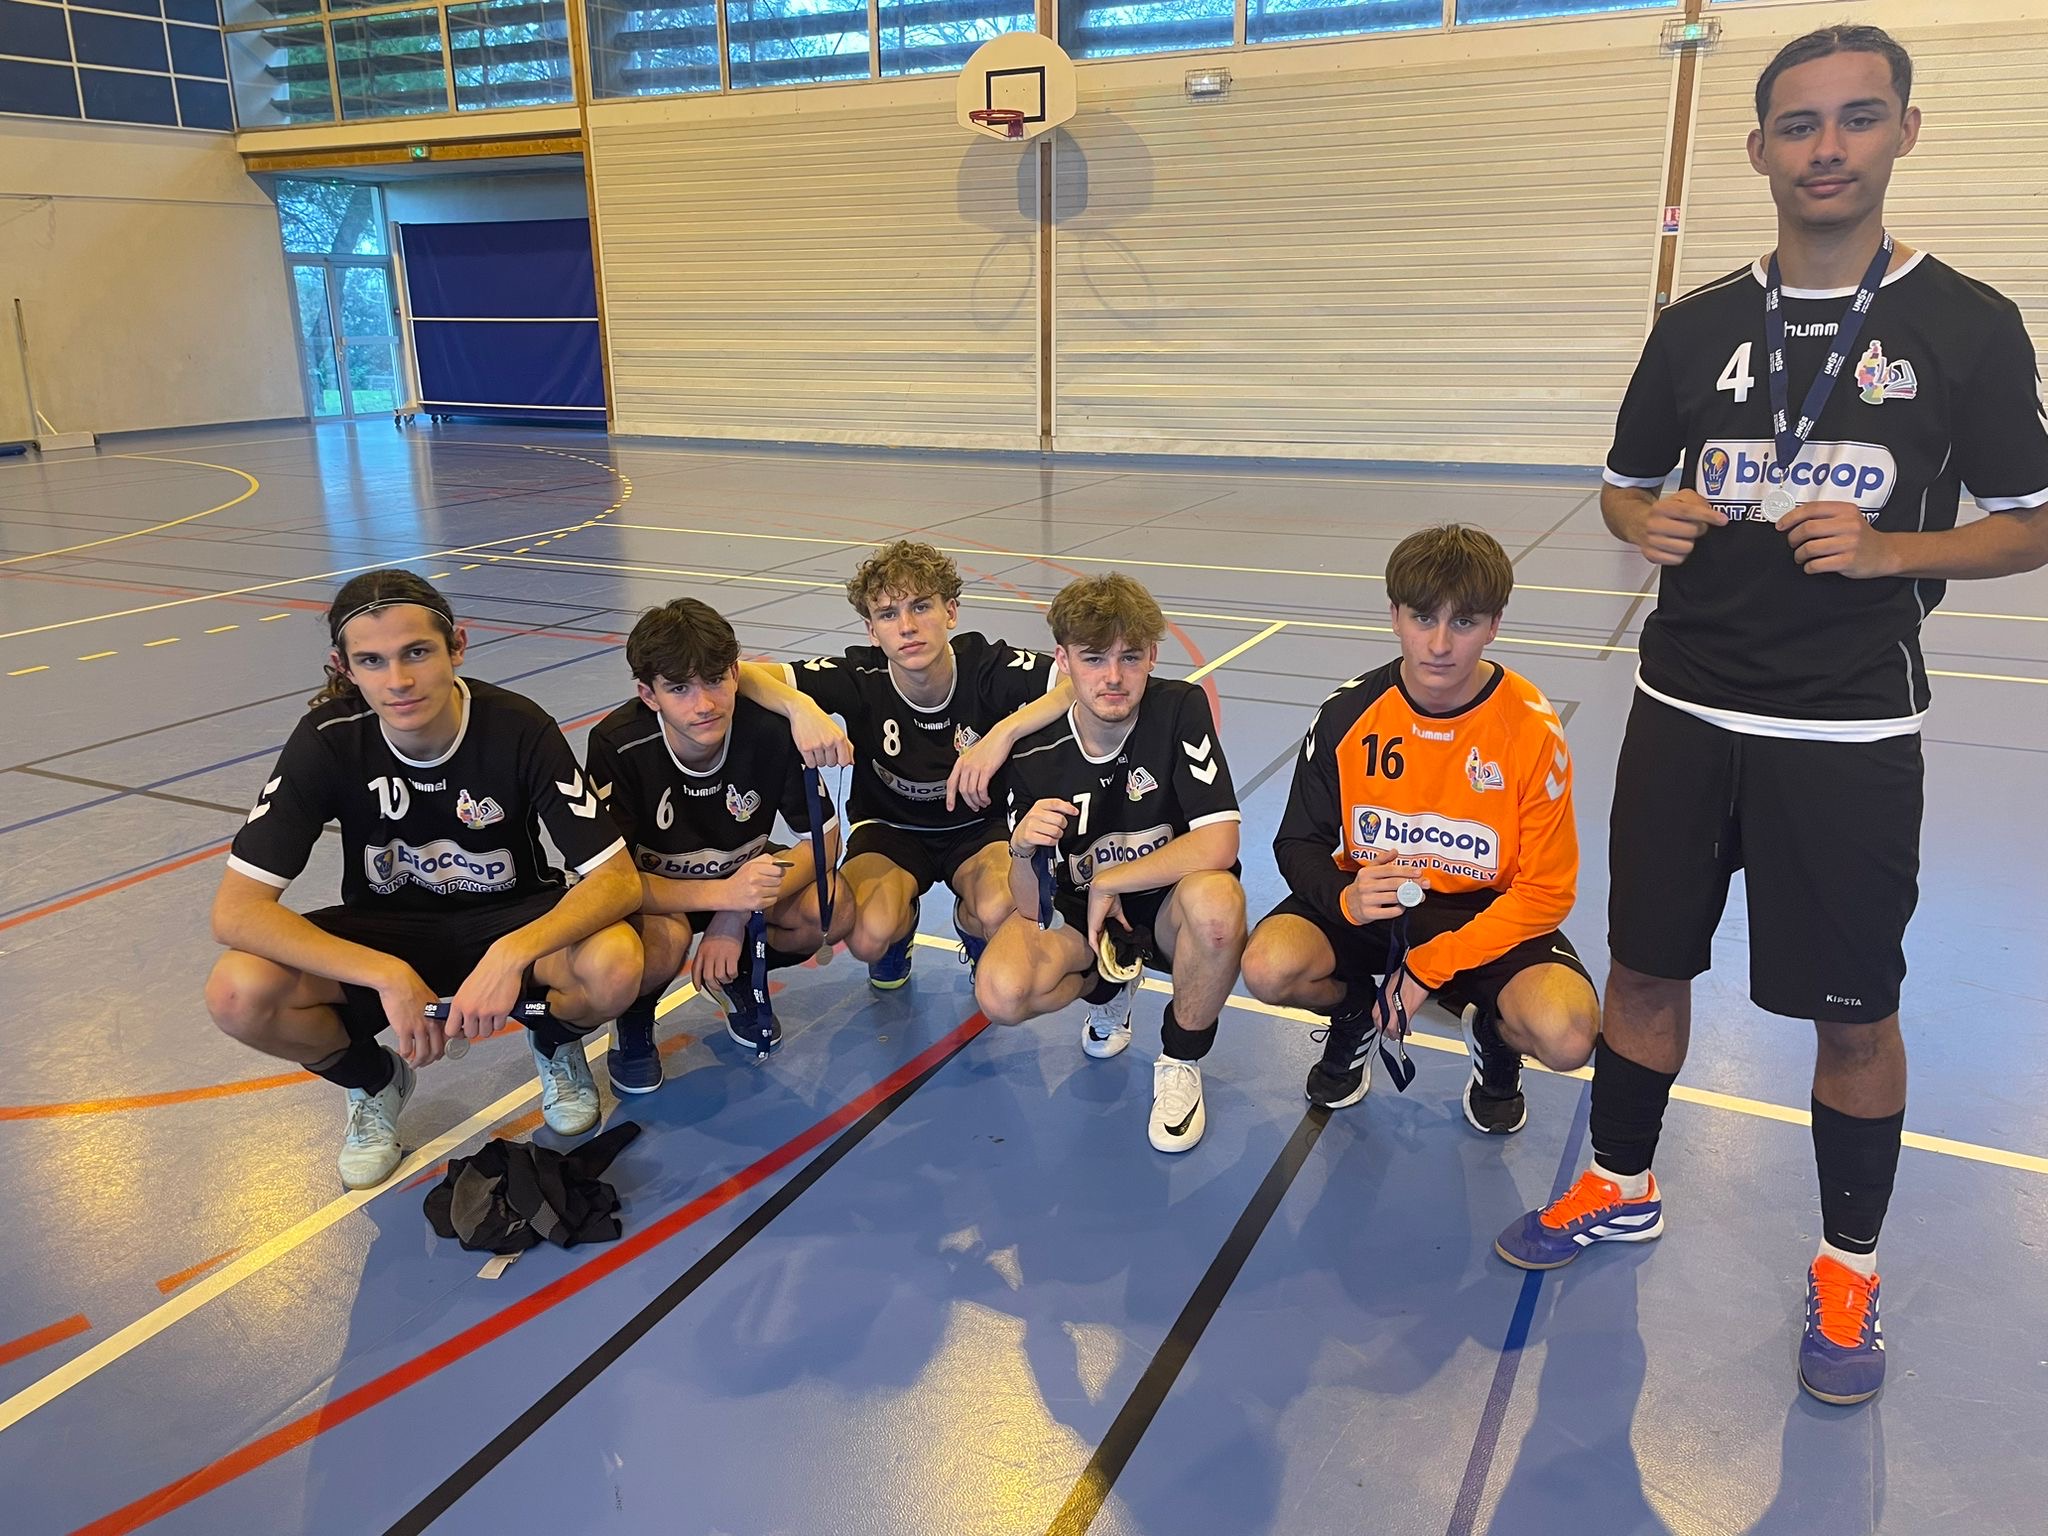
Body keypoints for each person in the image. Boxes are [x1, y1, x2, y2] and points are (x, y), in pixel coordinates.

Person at [1495, 26, 2048, 1407]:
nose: (1827, 148)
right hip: (1683, 712)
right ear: (1757, 150)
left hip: (1849, 737)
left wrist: (1891, 553)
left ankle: (1846, 1267)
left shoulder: (1967, 326)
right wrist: (1648, 520)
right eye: (1799, 126)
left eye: (1858, 120)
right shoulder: (1695, 327)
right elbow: (1622, 488)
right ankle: (1619, 1181)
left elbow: (2034, 526)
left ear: (1903, 135)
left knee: (1855, 1019)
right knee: (1644, 970)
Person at [204, 569, 644, 1190]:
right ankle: (373, 1079)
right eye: (372, 661)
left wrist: (511, 953)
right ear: (344, 667)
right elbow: (237, 912)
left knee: (615, 962)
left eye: (417, 652)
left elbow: (618, 881)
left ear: (457, 646)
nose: (399, 680)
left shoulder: (517, 726)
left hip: (507, 913)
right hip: (384, 929)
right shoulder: (329, 739)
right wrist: (385, 973)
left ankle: (553, 1040)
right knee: (237, 992)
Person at [1243, 526, 1597, 1128]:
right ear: (1394, 615)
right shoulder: (1347, 714)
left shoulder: (1532, 730)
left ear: (1494, 625)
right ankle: (1355, 1012)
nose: (1438, 644)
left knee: (1567, 1035)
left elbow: (1547, 892)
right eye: (1422, 618)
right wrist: (1345, 899)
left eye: (1463, 623)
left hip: (1485, 911)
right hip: (1374, 902)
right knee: (1268, 968)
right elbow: (1296, 842)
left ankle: (1495, 1033)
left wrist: (1427, 969)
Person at [976, 573, 1247, 1153]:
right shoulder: (1031, 749)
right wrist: (1022, 849)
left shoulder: (1179, 708)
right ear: (1063, 661)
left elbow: (1220, 842)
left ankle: (1180, 1060)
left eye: (1130, 656)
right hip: (1083, 914)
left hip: (1167, 899)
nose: (1114, 677)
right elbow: (1029, 905)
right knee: (1000, 993)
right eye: (1094, 658)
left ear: (1152, 654)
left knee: (1220, 906)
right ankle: (1107, 991)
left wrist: (1111, 878)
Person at [740, 540, 1072, 988]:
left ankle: (969, 924)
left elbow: (1078, 683)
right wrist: (800, 708)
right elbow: (738, 673)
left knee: (999, 908)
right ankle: (901, 932)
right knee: (867, 935)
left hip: (977, 830)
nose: (908, 627)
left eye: (921, 607)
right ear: (872, 630)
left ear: (950, 612)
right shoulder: (860, 676)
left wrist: (1001, 734)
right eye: (888, 614)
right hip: (890, 830)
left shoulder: (986, 666)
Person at [585, 598, 852, 1091]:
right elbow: (609, 883)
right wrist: (723, 898)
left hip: (741, 881)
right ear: (649, 694)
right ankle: (636, 1021)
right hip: (663, 896)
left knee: (829, 908)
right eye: (679, 689)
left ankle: (738, 977)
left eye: (714, 680)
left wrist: (736, 913)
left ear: (736, 672)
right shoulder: (617, 744)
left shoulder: (768, 729)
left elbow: (826, 840)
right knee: (659, 947)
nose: (704, 704)